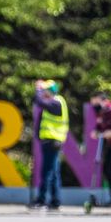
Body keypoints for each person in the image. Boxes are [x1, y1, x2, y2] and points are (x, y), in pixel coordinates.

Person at [30, 79, 69, 211]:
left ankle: (41, 200)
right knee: (54, 172)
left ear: (51, 91)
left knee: (46, 172)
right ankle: (55, 200)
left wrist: (37, 90)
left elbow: (38, 101)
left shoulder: (57, 102)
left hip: (53, 141)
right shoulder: (52, 103)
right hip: (50, 141)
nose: (43, 93)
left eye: (45, 90)